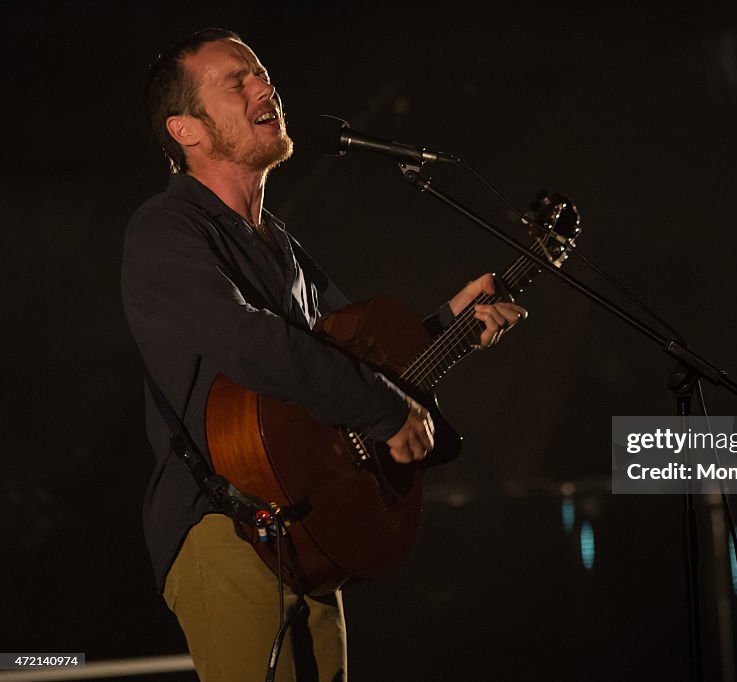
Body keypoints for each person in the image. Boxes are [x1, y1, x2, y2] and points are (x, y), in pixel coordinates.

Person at [121, 28, 526, 682]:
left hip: (303, 526)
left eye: (262, 74)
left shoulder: (281, 243)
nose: (266, 88)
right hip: (226, 526)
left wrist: (449, 326)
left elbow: (351, 359)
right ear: (185, 130)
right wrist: (384, 409)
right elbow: (250, 341)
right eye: (237, 82)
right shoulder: (166, 229)